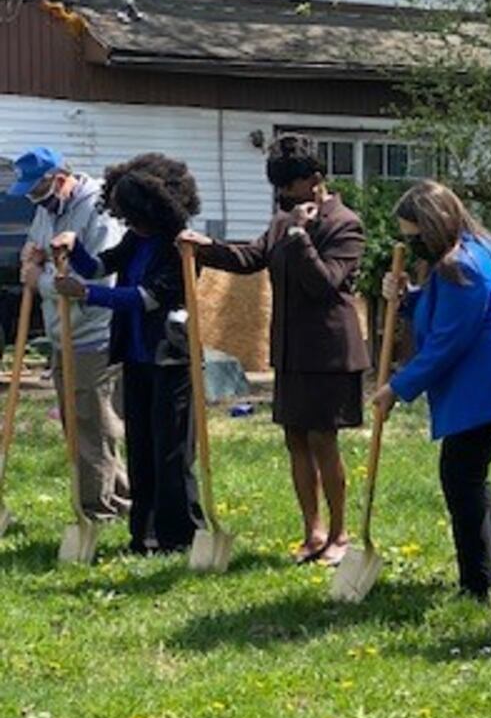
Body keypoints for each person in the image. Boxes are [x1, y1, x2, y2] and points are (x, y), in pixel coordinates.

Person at [178, 134, 369, 565]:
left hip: (329, 352)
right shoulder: (282, 222)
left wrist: (302, 235)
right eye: (277, 187)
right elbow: (252, 258)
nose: (282, 195)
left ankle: (339, 534)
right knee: (295, 438)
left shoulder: (345, 224)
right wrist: (206, 248)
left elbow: (325, 283)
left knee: (324, 439)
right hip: (290, 348)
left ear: (315, 180)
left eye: (289, 186)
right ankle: (312, 530)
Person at [376, 181, 491, 599]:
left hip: (490, 380)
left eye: (415, 237)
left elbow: (448, 340)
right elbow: (440, 307)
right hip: (490, 375)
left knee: (460, 475)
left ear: (435, 226)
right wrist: (407, 299)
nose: (412, 247)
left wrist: (397, 387)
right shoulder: (472, 249)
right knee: (470, 474)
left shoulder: (465, 265)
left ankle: (477, 583)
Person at [53, 154, 204, 554]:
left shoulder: (179, 247)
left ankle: (181, 534)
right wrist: (75, 247)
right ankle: (144, 534)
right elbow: (102, 265)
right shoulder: (137, 238)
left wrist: (87, 294)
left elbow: (147, 298)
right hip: (136, 358)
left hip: (171, 359)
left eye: (133, 215)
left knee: (170, 452)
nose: (128, 223)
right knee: (140, 448)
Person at [13, 147, 131, 521]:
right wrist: (31, 257)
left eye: (38, 192)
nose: (35, 201)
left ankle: (95, 511)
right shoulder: (48, 210)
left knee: (90, 426)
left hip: (96, 333)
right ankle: (125, 499)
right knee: (80, 423)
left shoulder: (98, 212)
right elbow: (37, 248)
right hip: (64, 333)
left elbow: (96, 277)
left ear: (60, 179)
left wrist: (40, 279)